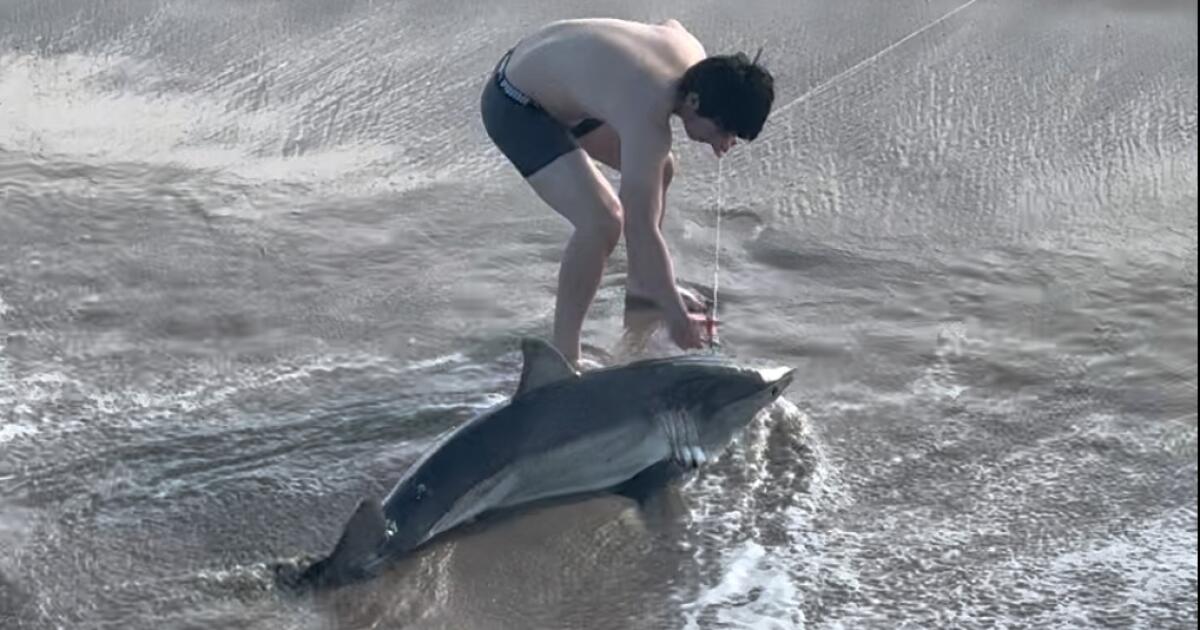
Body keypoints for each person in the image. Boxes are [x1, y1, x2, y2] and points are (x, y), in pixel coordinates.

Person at [480, 17, 774, 366]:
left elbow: (669, 23)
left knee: (661, 167)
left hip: (561, 83)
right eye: (724, 131)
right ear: (693, 101)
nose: (724, 144)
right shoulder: (647, 109)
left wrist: (663, 296)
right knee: (603, 220)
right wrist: (677, 318)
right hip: (515, 104)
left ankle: (643, 291)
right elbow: (640, 227)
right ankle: (562, 360)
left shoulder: (694, 55)